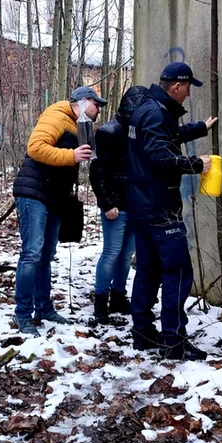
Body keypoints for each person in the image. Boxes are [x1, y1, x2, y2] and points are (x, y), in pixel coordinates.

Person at [127, 62, 218, 360]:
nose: (188, 94)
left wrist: (199, 128)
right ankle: (174, 342)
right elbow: (158, 154)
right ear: (177, 86)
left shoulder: (148, 110)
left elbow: (165, 139)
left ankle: (141, 333)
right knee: (178, 272)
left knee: (148, 271)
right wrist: (195, 165)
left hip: (142, 205)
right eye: (188, 88)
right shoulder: (156, 112)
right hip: (160, 208)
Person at [12, 85, 107, 336]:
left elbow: (63, 161)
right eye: (96, 104)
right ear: (84, 101)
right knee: (32, 253)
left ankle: (43, 307)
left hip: (54, 196)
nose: (99, 110)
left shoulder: (78, 124)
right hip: (34, 193)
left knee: (45, 255)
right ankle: (22, 314)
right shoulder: (57, 115)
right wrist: (72, 156)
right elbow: (36, 148)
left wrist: (68, 190)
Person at [88, 86, 147, 324]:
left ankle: (119, 297)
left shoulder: (140, 132)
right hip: (115, 205)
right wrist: (107, 202)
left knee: (125, 256)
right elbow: (97, 171)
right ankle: (100, 302)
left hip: (135, 204)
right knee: (111, 253)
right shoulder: (108, 132)